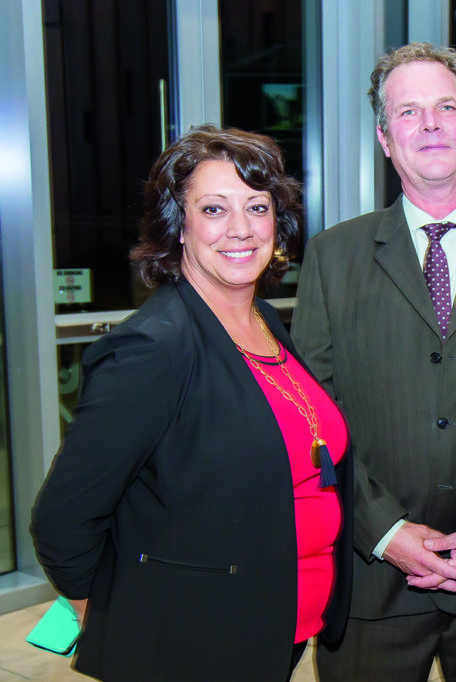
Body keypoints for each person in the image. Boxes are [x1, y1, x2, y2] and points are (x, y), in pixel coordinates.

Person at [31, 125, 353, 681]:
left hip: (277, 631)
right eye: (213, 209)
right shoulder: (152, 348)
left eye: (257, 207)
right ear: (179, 227)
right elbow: (63, 518)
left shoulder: (263, 321)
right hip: (194, 646)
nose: (240, 229)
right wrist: (108, 612)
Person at [291, 43, 456, 681]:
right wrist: (383, 530)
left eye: (445, 107)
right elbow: (308, 420)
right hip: (372, 576)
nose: (429, 124)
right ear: (384, 137)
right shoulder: (332, 258)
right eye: (408, 112)